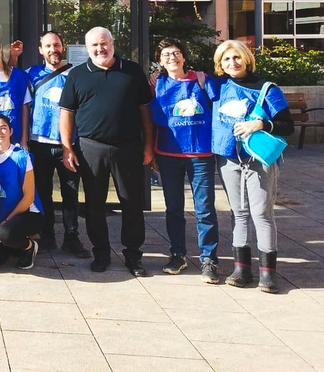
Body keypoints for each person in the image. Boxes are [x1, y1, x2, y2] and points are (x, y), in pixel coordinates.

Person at [60, 27, 154, 276]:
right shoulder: (77, 75)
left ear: (112, 43)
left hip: (129, 147)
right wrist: (67, 147)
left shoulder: (132, 71)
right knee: (94, 204)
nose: (100, 49)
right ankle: (101, 253)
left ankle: (133, 256)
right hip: (91, 148)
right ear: (86, 48)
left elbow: (145, 111)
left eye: (104, 44)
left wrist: (148, 145)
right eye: (94, 45)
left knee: (131, 202)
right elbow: (66, 113)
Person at [208, 40, 293, 294]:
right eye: (226, 59)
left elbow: (287, 125)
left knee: (262, 214)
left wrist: (261, 125)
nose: (232, 63)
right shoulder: (218, 86)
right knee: (239, 212)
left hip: (259, 160)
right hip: (228, 159)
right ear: (220, 64)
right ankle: (241, 269)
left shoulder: (267, 89)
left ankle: (268, 274)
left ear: (246, 58)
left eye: (236, 58)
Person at [150, 38, 219, 283]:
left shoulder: (202, 80)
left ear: (184, 56)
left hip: (200, 154)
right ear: (159, 60)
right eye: (166, 54)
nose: (172, 58)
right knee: (174, 209)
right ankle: (177, 254)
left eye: (177, 53)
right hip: (168, 154)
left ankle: (208, 259)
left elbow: (220, 108)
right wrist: (151, 152)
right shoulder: (155, 84)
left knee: (205, 209)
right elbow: (147, 120)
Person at [24, 31, 89, 258]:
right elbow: (8, 77)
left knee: (70, 194)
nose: (54, 49)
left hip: (68, 145)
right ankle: (47, 235)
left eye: (57, 45)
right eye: (48, 46)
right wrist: (12, 57)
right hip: (39, 143)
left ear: (63, 47)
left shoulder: (76, 74)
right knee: (43, 192)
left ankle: (72, 238)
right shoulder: (31, 74)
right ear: (41, 49)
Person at [0, 114, 44, 270]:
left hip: (26, 214)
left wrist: (4, 224)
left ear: (11, 131)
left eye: (3, 128)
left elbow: (28, 198)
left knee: (6, 233)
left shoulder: (21, 157)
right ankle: (9, 243)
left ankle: (29, 246)